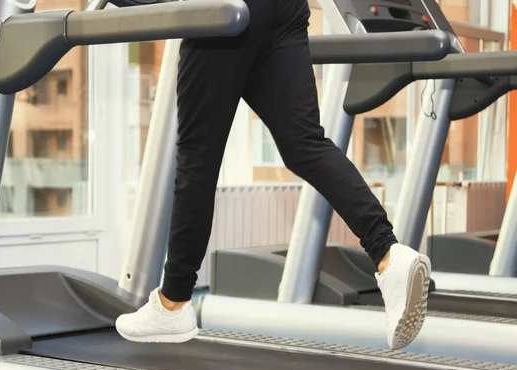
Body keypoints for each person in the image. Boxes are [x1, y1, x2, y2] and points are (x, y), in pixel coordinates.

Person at [116, 0, 431, 350]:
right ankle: (388, 253)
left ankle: (173, 303)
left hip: (229, 7)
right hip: (285, 9)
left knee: (197, 160)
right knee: (306, 144)